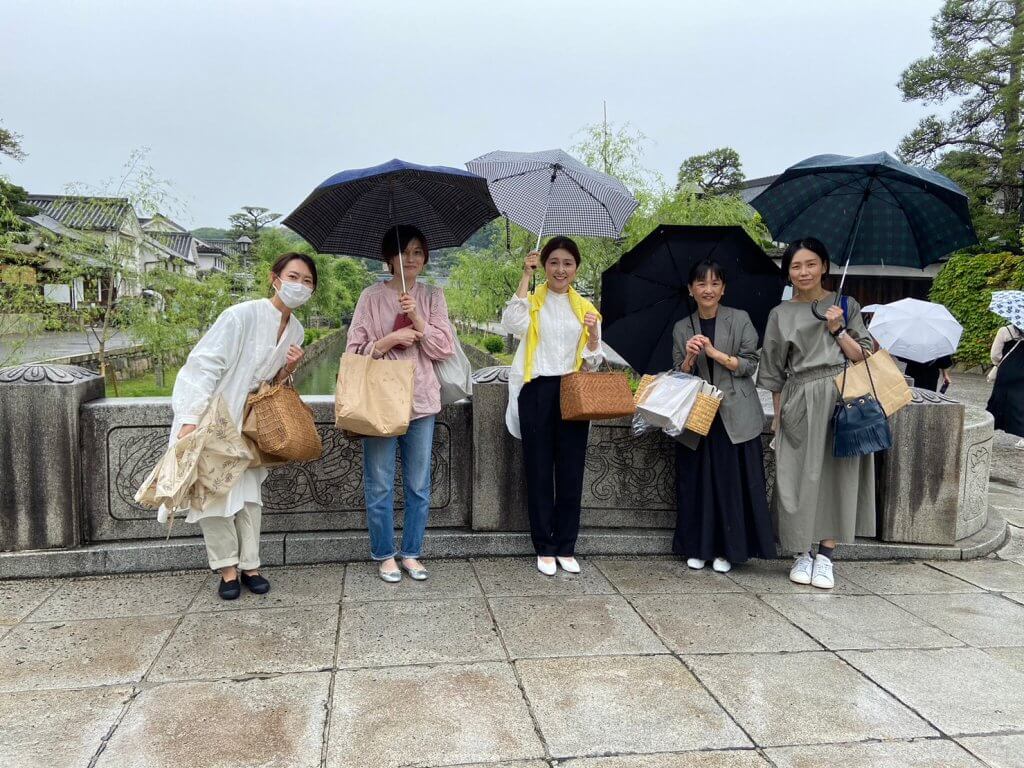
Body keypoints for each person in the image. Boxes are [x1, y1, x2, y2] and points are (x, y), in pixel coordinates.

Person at [167, 252, 314, 599]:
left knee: (249, 495)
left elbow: (272, 383)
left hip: (253, 423)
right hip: (217, 417)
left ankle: (251, 564)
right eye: (294, 277)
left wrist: (288, 368)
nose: (300, 286)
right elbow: (204, 366)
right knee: (214, 495)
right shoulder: (241, 315)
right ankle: (227, 568)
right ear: (274, 278)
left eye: (308, 282)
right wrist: (190, 419)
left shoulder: (297, 330)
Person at [757, 238, 875, 590]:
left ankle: (826, 555)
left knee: (837, 473)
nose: (804, 272)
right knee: (796, 475)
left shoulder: (846, 305)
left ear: (824, 265)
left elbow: (862, 356)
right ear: (788, 272)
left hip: (842, 396)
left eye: (811, 264)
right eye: (796, 266)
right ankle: (800, 552)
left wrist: (838, 329)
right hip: (799, 396)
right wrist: (778, 419)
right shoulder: (780, 314)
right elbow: (774, 374)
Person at [346, 225, 455, 582]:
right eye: (404, 252)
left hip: (421, 399)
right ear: (389, 258)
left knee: (418, 484)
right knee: (379, 482)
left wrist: (419, 320)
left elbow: (444, 348)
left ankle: (411, 552)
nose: (411, 259)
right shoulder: (370, 297)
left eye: (418, 253)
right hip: (380, 400)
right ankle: (384, 554)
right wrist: (388, 340)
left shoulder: (433, 296)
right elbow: (354, 350)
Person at [501, 237, 604, 576]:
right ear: (544, 265)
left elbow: (593, 362)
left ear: (576, 268)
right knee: (540, 470)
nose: (561, 269)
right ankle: (544, 546)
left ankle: (566, 545)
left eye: (568, 263)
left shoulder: (586, 308)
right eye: (554, 262)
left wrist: (592, 336)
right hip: (537, 389)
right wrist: (525, 277)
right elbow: (511, 324)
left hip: (572, 389)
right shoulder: (532, 302)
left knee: (571, 470)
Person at [671, 260, 775, 574]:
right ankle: (698, 548)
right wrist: (689, 357)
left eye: (715, 283)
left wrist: (715, 353)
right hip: (699, 415)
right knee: (699, 484)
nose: (708, 290)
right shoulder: (682, 327)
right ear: (691, 289)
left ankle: (727, 551)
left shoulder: (740, 319)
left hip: (735, 414)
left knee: (731, 484)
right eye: (701, 284)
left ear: (723, 288)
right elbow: (678, 374)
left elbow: (749, 365)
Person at [986, 323, 1024, 449]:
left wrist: (1000, 363)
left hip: (1006, 371)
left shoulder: (1004, 331)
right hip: (1022, 372)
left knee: (998, 400)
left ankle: (987, 431)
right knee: (1020, 403)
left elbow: (995, 355)